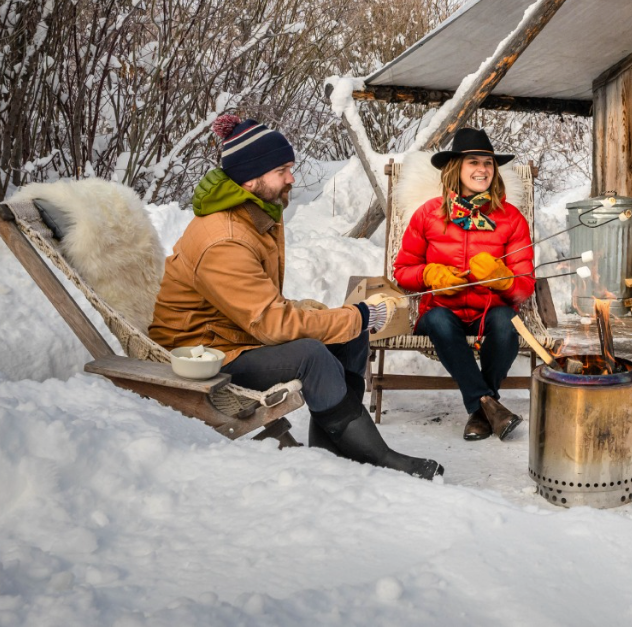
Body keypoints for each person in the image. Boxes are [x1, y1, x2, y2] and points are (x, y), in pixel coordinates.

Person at [150, 114, 443, 480]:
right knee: (312, 355)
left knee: (350, 333)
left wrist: (337, 317)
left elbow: (253, 303)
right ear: (251, 177)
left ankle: (332, 449)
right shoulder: (225, 238)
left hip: (233, 336)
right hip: (203, 354)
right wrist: (360, 314)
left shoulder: (252, 214)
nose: (291, 178)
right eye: (282, 170)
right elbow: (272, 324)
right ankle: (381, 458)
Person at [392, 127, 535, 441]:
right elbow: (403, 270)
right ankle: (488, 405)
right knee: (440, 320)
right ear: (456, 167)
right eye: (473, 162)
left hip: (489, 312)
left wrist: (504, 279)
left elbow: (525, 286)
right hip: (442, 314)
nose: (482, 169)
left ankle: (481, 409)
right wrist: (430, 275)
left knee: (506, 322)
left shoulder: (511, 219)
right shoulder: (428, 215)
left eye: (487, 163)